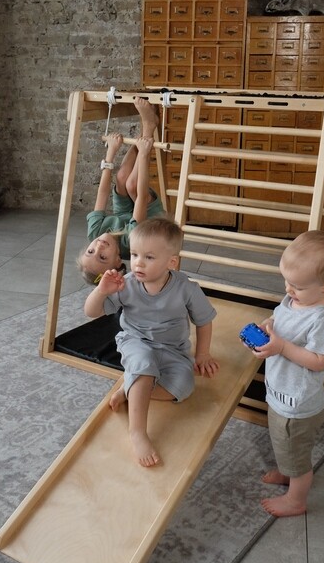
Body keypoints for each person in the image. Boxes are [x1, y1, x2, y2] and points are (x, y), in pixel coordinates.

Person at [84, 217, 220, 467]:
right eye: (135, 254)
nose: (138, 263)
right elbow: (91, 312)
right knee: (144, 363)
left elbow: (204, 321)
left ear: (171, 262)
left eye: (148, 257)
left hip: (173, 349)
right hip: (135, 341)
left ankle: (131, 388)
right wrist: (101, 291)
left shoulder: (187, 288)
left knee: (183, 387)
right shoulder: (126, 285)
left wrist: (202, 354)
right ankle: (137, 432)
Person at [243, 229, 324, 517]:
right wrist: (268, 327)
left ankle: (296, 499)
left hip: (298, 406)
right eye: (286, 281)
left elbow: (319, 361)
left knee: (297, 455)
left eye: (297, 286)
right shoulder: (294, 300)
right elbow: (279, 317)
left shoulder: (323, 321)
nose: (288, 290)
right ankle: (287, 470)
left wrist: (282, 347)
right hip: (281, 393)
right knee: (283, 443)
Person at [77, 96, 164, 284]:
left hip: (124, 214)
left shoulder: (94, 233)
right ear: (118, 261)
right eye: (102, 257)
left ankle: (145, 128)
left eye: (90, 251)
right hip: (148, 219)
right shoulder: (131, 244)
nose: (99, 247)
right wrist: (143, 153)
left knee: (122, 177)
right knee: (131, 184)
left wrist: (111, 152)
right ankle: (149, 126)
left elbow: (102, 193)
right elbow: (141, 197)